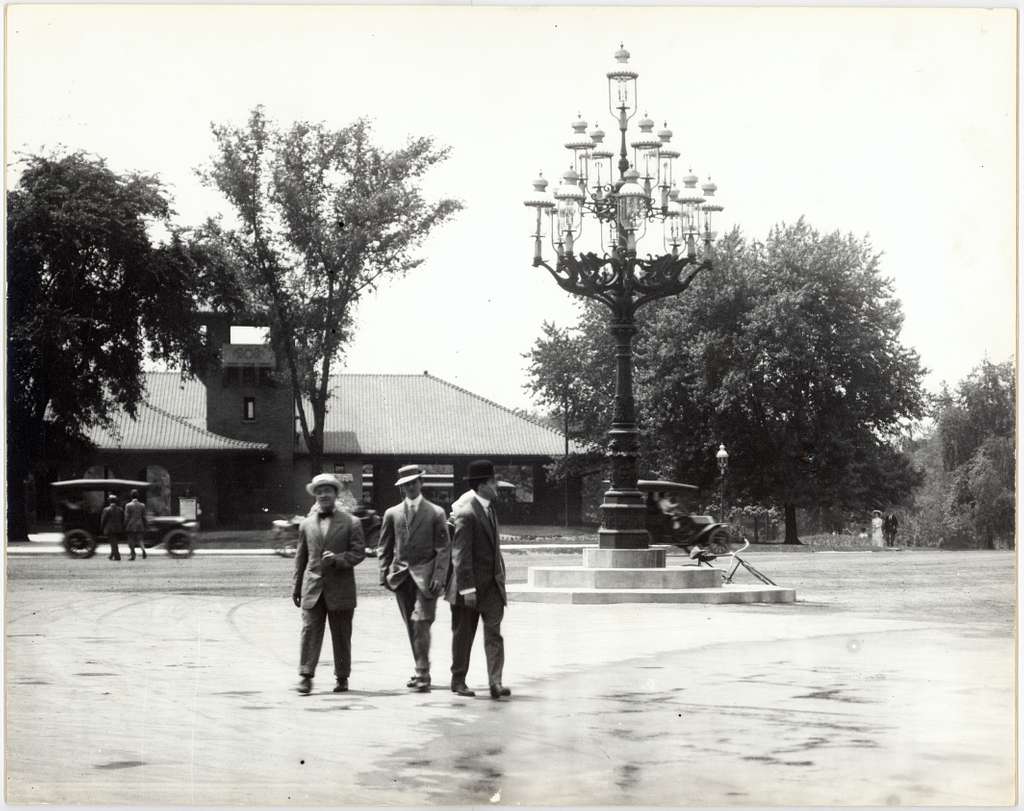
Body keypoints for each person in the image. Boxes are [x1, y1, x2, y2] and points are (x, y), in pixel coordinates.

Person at [377, 464, 451, 692]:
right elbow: (384, 546)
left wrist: (440, 575)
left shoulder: (436, 513)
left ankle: (422, 673)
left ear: (421, 483)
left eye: (413, 482)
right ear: (401, 488)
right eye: (405, 485)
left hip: (427, 577)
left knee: (421, 621)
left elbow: (443, 548)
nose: (410, 487)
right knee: (412, 625)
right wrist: (384, 574)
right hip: (400, 577)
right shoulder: (392, 513)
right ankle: (420, 666)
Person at [292, 473, 366, 695]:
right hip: (313, 588)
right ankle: (305, 676)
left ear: (336, 494)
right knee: (309, 631)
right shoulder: (306, 525)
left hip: (341, 588)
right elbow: (300, 558)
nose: (324, 494)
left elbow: (359, 553)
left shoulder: (351, 522)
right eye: (319, 491)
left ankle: (342, 677)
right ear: (315, 496)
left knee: (342, 634)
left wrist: (338, 559)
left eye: (328, 490)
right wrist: (296, 587)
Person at [445, 459, 510, 700]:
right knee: (463, 635)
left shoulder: (490, 509)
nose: (497, 487)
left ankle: (495, 681)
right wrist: (467, 589)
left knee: (494, 634)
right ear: (482, 485)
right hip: (468, 588)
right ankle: (458, 680)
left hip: (491, 587)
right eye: (494, 482)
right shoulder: (467, 513)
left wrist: (500, 578)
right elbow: (460, 555)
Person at [123, 489, 148, 561]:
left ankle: (133, 555)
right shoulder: (142, 505)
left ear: (131, 496)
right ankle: (143, 551)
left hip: (131, 525)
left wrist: (124, 525)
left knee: (131, 540)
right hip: (140, 525)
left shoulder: (128, 505)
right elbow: (144, 516)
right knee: (140, 539)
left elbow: (127, 517)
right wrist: (145, 525)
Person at [100, 494, 125, 561]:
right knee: (114, 541)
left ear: (109, 501)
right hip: (118, 528)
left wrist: (102, 528)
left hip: (109, 529)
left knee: (113, 543)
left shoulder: (106, 510)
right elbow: (122, 519)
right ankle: (111, 555)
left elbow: (103, 520)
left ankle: (117, 556)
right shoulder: (120, 509)